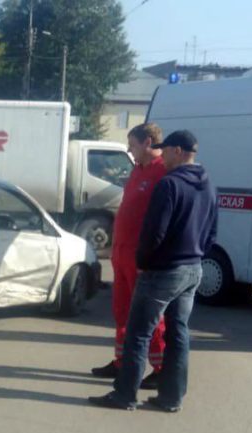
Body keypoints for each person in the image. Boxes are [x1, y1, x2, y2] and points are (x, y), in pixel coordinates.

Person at [89, 130, 218, 412]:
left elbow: (153, 232)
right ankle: (171, 398)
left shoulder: (168, 183)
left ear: (178, 151)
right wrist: (197, 254)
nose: (164, 155)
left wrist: (145, 262)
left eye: (168, 150)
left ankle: (125, 395)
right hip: (191, 268)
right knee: (178, 333)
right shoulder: (207, 184)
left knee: (138, 332)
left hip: (163, 270)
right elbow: (212, 231)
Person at [90, 123, 167, 387]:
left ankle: (161, 367)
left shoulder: (162, 172)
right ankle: (121, 362)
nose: (129, 150)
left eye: (132, 145)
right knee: (121, 312)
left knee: (148, 314)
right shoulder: (138, 170)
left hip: (141, 257)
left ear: (148, 142)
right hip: (122, 254)